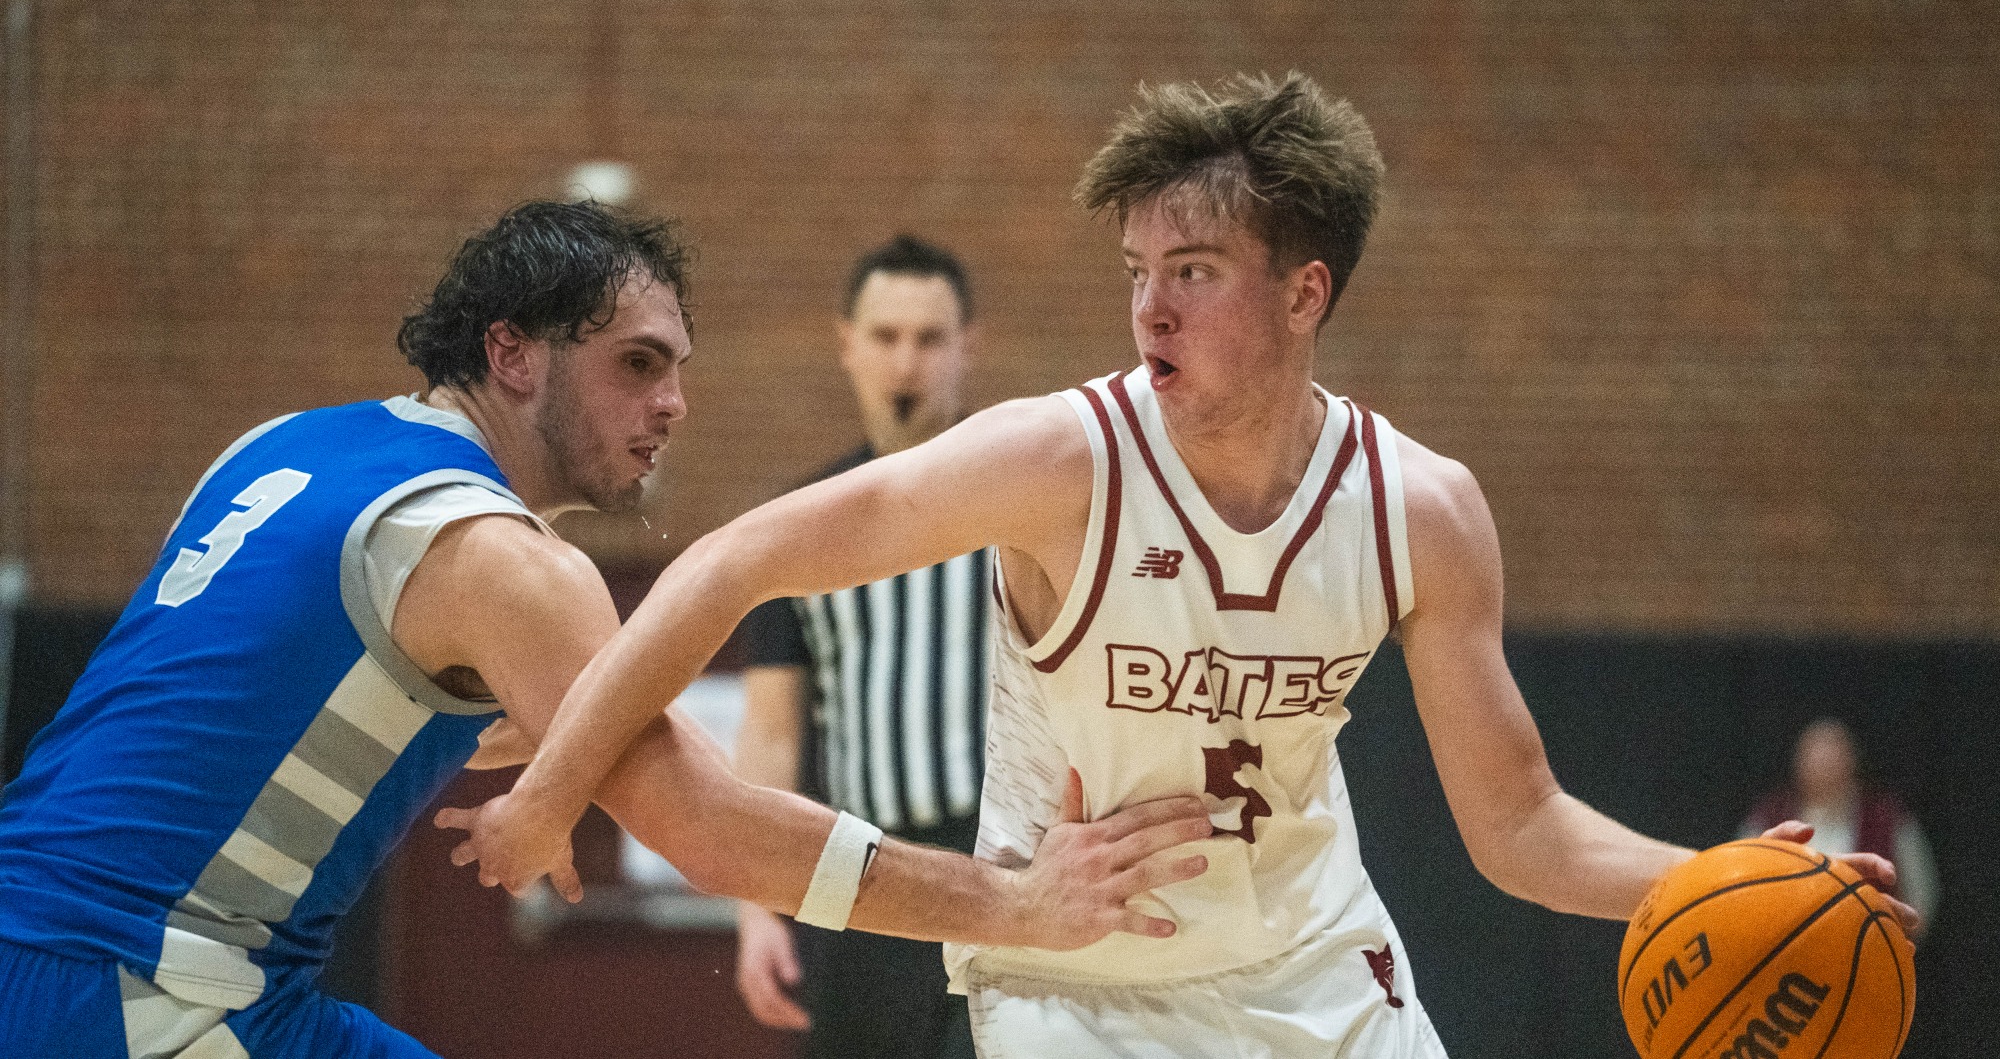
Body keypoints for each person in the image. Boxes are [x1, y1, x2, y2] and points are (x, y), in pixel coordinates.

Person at [446, 77, 1917, 1057]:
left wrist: (1721, 879)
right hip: (1067, 975)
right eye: (1135, 270)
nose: (1149, 304)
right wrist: (557, 788)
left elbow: (1519, 821)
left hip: (1318, 971)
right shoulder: (1056, 458)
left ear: (1304, 291)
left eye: (1192, 271)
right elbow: (733, 563)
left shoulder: (1422, 509)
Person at [0, 200, 1212, 1059]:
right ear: (511, 354)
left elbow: (252, 708)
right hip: (140, 993)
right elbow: (712, 832)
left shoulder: (276, 449)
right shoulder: (507, 562)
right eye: (637, 365)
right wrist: (1017, 906)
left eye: (678, 367)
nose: (672, 404)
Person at [733, 234, 989, 1057]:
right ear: (847, 344)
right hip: (857, 878)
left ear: (966, 349)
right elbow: (773, 731)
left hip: (999, 878)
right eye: (885, 337)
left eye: (929, 338)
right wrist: (752, 904)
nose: (906, 362)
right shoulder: (802, 522)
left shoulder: (1020, 504)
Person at [1741, 717, 1938, 935]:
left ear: (1852, 760)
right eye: (1815, 755)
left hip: (1868, 954)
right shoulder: (1768, 816)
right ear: (1798, 762)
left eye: (1833, 754)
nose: (1824, 764)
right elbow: (1735, 897)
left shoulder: (1887, 817)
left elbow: (1921, 902)